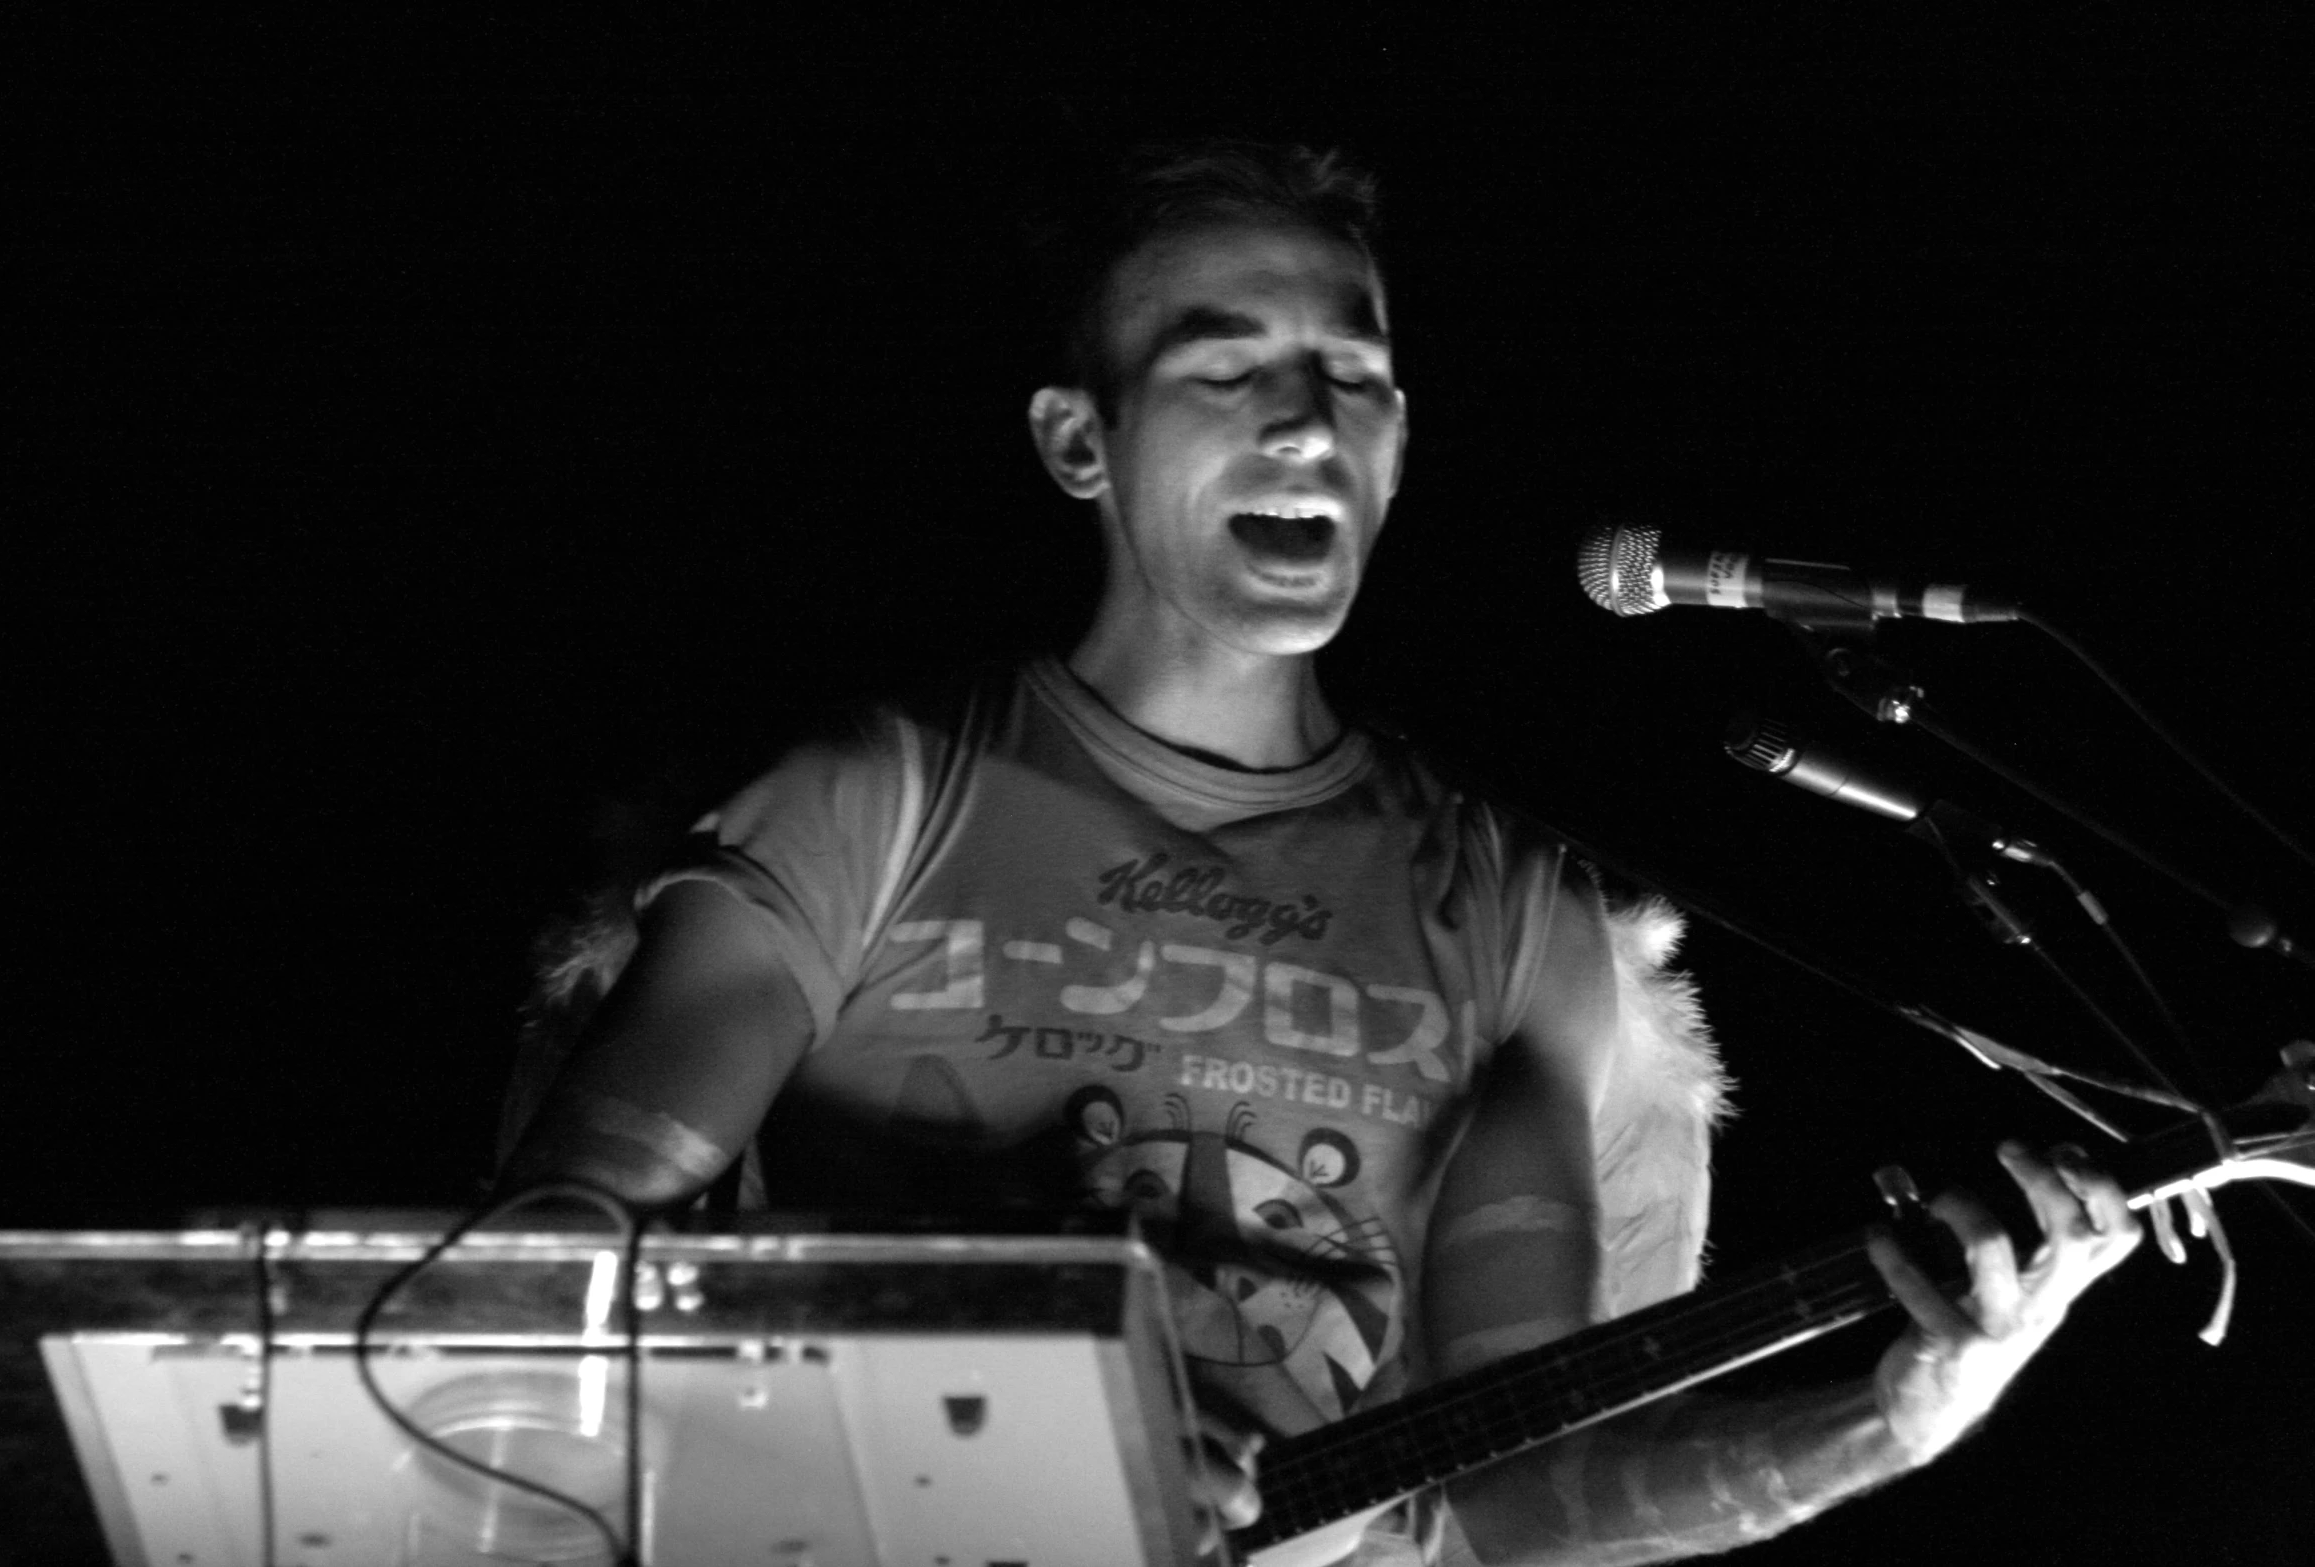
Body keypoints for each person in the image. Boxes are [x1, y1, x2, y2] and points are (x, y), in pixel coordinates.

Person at [499, 143, 2143, 1564]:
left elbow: (1524, 1494)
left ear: (1400, 435)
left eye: (1349, 375)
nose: (1304, 421)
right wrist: (1000, 1386)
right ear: (1082, 441)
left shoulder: (1514, 907)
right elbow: (540, 1265)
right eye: (1228, 368)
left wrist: (1896, 1419)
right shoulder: (882, 795)